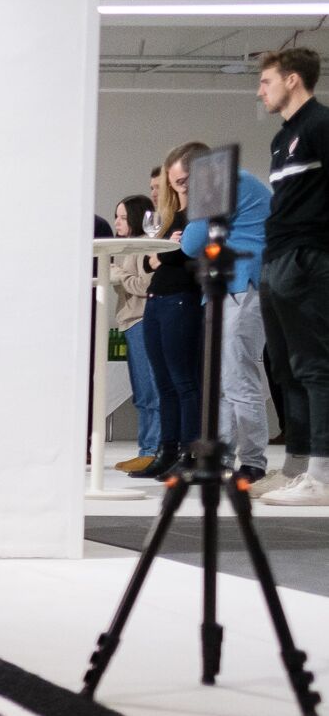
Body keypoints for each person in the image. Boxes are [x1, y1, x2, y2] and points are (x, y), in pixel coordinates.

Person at [169, 143, 273, 487]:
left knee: (237, 377)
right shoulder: (235, 180)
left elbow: (191, 243)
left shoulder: (221, 181)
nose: (183, 191)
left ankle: (253, 462)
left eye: (183, 183)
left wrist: (188, 209)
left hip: (242, 282)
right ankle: (224, 457)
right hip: (234, 284)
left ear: (198, 169)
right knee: (225, 378)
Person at [255, 47, 329, 505]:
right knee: (283, 368)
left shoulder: (322, 125)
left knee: (314, 366)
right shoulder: (283, 139)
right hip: (277, 257)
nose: (260, 90)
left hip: (309, 257)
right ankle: (296, 469)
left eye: (266, 81)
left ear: (293, 80)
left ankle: (320, 475)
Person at [130, 144, 207, 480]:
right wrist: (166, 252)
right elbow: (154, 257)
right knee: (165, 383)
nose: (178, 187)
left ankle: (189, 453)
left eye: (183, 181)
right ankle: (167, 449)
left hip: (181, 299)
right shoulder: (173, 216)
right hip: (157, 299)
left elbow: (186, 255)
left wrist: (167, 253)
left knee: (183, 381)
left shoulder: (204, 215)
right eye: (174, 182)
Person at [108, 194, 162, 474]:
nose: (117, 222)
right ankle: (147, 448)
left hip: (142, 320)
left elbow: (145, 285)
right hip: (130, 322)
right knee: (142, 391)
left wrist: (119, 277)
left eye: (123, 217)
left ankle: (151, 450)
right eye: (116, 216)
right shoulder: (125, 248)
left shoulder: (144, 248)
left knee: (150, 391)